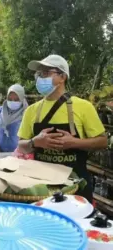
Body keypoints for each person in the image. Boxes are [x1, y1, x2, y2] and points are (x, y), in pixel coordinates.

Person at [17, 54, 107, 202]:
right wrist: (34, 142)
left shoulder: (83, 107)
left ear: (62, 77)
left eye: (46, 73)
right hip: (42, 187)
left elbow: (102, 142)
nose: (40, 78)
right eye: (38, 74)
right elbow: (21, 146)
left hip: (76, 186)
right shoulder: (31, 111)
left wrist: (73, 143)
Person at [0, 84, 28, 153]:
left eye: (16, 100)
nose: (13, 102)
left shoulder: (27, 113)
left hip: (19, 155)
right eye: (10, 99)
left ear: (22, 98)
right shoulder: (0, 111)